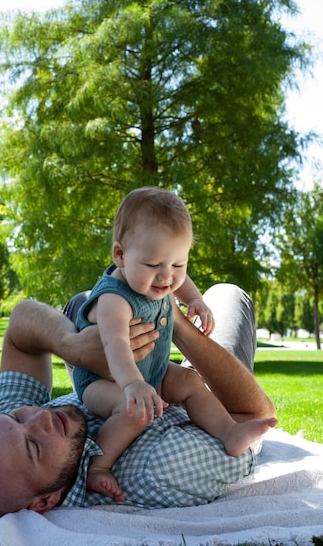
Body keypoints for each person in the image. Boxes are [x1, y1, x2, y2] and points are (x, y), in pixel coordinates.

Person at [0, 283, 277, 522]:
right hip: (206, 392)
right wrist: (173, 322)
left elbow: (21, 322)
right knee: (228, 295)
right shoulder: (155, 471)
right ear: (44, 502)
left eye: (17, 418)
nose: (39, 419)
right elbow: (252, 416)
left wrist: (72, 345)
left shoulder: (10, 436)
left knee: (84, 303)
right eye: (34, 446)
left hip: (132, 374)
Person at [72, 187, 277, 500]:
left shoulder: (160, 276)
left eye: (178, 264)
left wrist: (195, 299)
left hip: (150, 370)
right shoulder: (114, 299)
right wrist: (131, 386)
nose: (166, 277)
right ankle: (98, 466)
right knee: (133, 412)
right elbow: (114, 345)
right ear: (120, 255)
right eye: (154, 265)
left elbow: (179, 279)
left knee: (189, 380)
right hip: (106, 380)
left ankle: (229, 431)